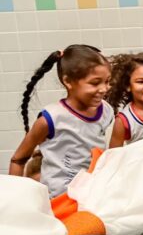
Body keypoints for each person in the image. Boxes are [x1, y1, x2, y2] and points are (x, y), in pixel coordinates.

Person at [9, 45, 113, 198]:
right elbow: (18, 160)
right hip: (59, 200)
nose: (104, 89)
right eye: (95, 83)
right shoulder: (51, 119)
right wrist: (15, 199)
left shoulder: (106, 110)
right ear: (68, 82)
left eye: (107, 81)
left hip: (93, 196)